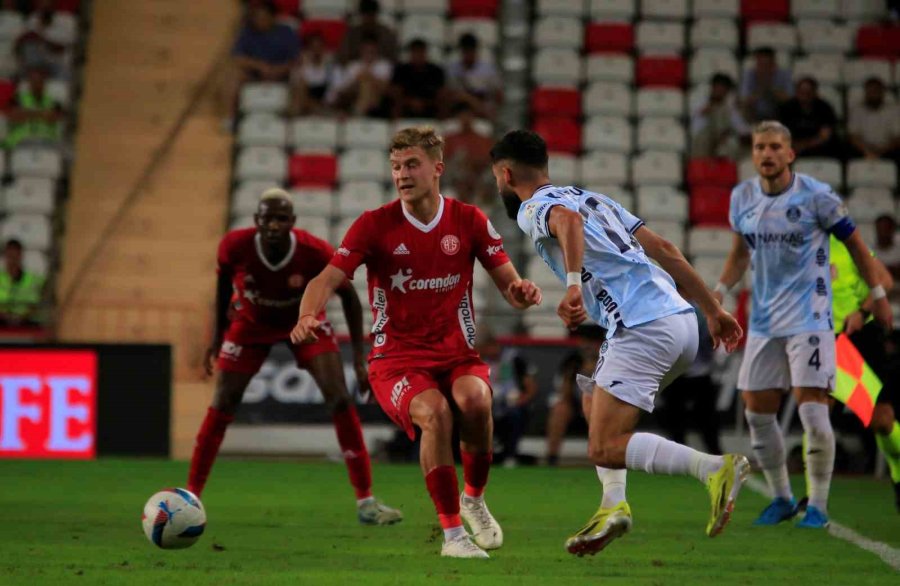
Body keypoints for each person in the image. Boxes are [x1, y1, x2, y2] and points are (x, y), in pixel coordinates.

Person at [491, 129, 747, 556]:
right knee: (594, 400)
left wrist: (572, 286)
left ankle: (713, 468)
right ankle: (612, 507)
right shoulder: (596, 199)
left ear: (505, 173)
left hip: (642, 324)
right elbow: (664, 248)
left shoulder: (532, 207)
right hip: (681, 322)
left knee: (603, 445)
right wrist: (712, 311)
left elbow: (566, 223)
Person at [292, 126, 543, 559]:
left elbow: (510, 286)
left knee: (478, 402)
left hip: (456, 353)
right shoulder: (374, 225)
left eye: (411, 165)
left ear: (437, 168)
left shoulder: (468, 220)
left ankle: (474, 500)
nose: (402, 174)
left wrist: (522, 291)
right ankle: (452, 537)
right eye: (395, 167)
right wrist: (306, 314)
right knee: (436, 414)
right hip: (396, 361)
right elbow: (326, 278)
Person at [713, 120, 893, 529]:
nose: (767, 154)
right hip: (763, 321)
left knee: (813, 410)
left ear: (790, 153)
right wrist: (719, 293)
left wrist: (878, 296)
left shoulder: (818, 197)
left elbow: (857, 247)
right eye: (760, 147)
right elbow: (740, 252)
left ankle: (819, 507)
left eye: (776, 146)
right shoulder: (742, 197)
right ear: (754, 153)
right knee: (757, 412)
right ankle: (781, 497)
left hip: (810, 319)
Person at [187, 189, 402, 526]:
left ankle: (366, 501)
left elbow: (349, 297)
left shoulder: (313, 251)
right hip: (249, 324)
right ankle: (191, 495)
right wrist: (216, 338)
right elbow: (222, 288)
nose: (273, 225)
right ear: (256, 221)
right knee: (223, 401)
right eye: (267, 218)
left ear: (292, 222)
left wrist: (360, 358)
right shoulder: (234, 246)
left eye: (281, 219)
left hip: (303, 323)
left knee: (340, 400)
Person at [829, 234, 900, 510]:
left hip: (858, 338)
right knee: (816, 408)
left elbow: (885, 280)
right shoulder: (795, 246)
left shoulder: (847, 244)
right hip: (820, 339)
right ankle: (812, 504)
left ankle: (897, 470)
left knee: (881, 421)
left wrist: (862, 310)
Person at [654, 301, 722, 455]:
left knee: (706, 420)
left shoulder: (699, 312)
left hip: (697, 372)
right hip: (677, 374)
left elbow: (711, 339)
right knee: (675, 419)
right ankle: (680, 454)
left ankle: (714, 453)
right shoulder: (664, 309)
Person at [224, 1, 300, 118]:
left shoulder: (286, 32)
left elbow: (296, 59)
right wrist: (259, 66)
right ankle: (231, 117)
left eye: (263, 18)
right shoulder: (248, 32)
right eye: (257, 18)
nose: (259, 21)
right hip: (256, 74)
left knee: (299, 79)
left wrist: (278, 70)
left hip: (281, 74)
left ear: (273, 17)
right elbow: (237, 57)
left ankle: (292, 118)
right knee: (233, 76)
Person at [476, 330, 538, 466]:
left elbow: (531, 387)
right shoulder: (481, 361)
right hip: (489, 405)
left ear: (491, 344)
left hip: (512, 404)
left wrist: (521, 400)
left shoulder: (514, 358)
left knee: (514, 415)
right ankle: (479, 455)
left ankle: (510, 455)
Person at [545, 325, 603, 466]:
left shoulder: (610, 359)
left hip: (603, 406)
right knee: (560, 409)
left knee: (600, 412)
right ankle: (552, 458)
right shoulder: (572, 360)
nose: (587, 345)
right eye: (584, 341)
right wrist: (574, 374)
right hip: (576, 405)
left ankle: (603, 458)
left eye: (591, 342)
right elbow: (563, 394)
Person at [326, 34, 392, 117]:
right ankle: (360, 110)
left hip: (378, 100)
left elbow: (385, 88)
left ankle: (359, 112)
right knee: (364, 84)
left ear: (377, 50)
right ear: (361, 50)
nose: (369, 54)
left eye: (372, 51)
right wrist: (358, 80)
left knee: (367, 83)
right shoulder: (353, 66)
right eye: (366, 51)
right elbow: (346, 89)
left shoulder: (384, 65)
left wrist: (369, 76)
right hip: (355, 98)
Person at [443, 103, 494, 205]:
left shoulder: (483, 140)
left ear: (473, 117)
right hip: (455, 177)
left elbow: (489, 159)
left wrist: (471, 163)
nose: (465, 119)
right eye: (462, 116)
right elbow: (443, 160)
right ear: (458, 118)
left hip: (478, 176)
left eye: (468, 116)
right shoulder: (450, 139)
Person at [777, 77, 840, 159]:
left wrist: (804, 145)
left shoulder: (824, 108)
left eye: (808, 92)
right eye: (801, 92)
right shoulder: (786, 108)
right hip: (793, 147)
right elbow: (781, 133)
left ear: (814, 92)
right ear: (797, 92)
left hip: (818, 148)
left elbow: (825, 135)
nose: (805, 95)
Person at [690, 73, 749, 159]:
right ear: (713, 88)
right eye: (718, 87)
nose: (720, 91)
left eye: (723, 89)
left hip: (723, 140)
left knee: (732, 143)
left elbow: (742, 128)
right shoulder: (700, 102)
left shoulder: (729, 108)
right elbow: (696, 128)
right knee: (704, 139)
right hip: (703, 140)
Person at [4, 64, 64, 149]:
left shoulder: (53, 101)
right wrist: (41, 114)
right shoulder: (17, 98)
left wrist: (27, 113)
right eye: (34, 80)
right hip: (20, 141)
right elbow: (13, 115)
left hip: (46, 141)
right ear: (29, 82)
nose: (37, 83)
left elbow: (55, 117)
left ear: (44, 83)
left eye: (40, 80)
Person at [446, 33, 502, 121]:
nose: (468, 54)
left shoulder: (488, 69)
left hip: (483, 109)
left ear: (475, 50)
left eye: (470, 51)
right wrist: (470, 100)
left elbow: (498, 94)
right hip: (460, 109)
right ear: (461, 51)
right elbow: (452, 94)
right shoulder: (454, 69)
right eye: (465, 51)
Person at [390, 39, 447, 119]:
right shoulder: (401, 70)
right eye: (415, 52)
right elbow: (395, 91)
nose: (418, 56)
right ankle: (395, 126)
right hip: (406, 106)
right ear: (411, 54)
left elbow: (441, 92)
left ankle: (442, 127)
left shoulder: (436, 71)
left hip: (430, 106)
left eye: (420, 52)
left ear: (425, 53)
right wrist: (411, 102)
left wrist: (423, 103)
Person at [848, 77, 900, 162]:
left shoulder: (894, 110)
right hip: (863, 148)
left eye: (876, 91)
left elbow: (897, 138)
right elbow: (853, 136)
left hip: (887, 149)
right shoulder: (857, 110)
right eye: (870, 92)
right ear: (866, 92)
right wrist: (866, 151)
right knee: (848, 150)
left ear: (882, 92)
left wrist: (881, 151)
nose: (873, 94)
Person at [740, 47, 792, 123]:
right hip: (756, 115)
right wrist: (761, 88)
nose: (764, 69)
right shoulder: (749, 74)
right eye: (761, 65)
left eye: (767, 65)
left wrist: (771, 88)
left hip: (778, 115)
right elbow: (745, 99)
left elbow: (790, 99)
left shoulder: (784, 74)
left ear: (773, 64)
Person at [337, 0, 399, 65]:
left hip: (382, 71)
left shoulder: (387, 34)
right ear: (361, 15)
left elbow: (393, 59)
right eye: (366, 15)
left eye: (371, 15)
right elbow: (342, 57)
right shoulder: (352, 34)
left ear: (376, 15)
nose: (369, 19)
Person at [0, 239, 45, 327]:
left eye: (15, 256)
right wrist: (6, 316)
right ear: (5, 256)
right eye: (10, 256)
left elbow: (35, 304)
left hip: (26, 322)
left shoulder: (33, 280)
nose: (13, 260)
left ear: (21, 256)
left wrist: (21, 317)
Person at [289, 32, 335, 116]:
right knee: (299, 88)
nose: (316, 51)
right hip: (306, 95)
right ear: (308, 49)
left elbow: (334, 86)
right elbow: (294, 84)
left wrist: (328, 102)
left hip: (324, 96)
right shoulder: (301, 64)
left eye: (319, 47)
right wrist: (304, 64)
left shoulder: (330, 63)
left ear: (323, 48)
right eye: (313, 47)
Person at [874, 215, 900, 285]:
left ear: (892, 230)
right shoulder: (869, 251)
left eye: (886, 229)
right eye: (880, 229)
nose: (883, 233)